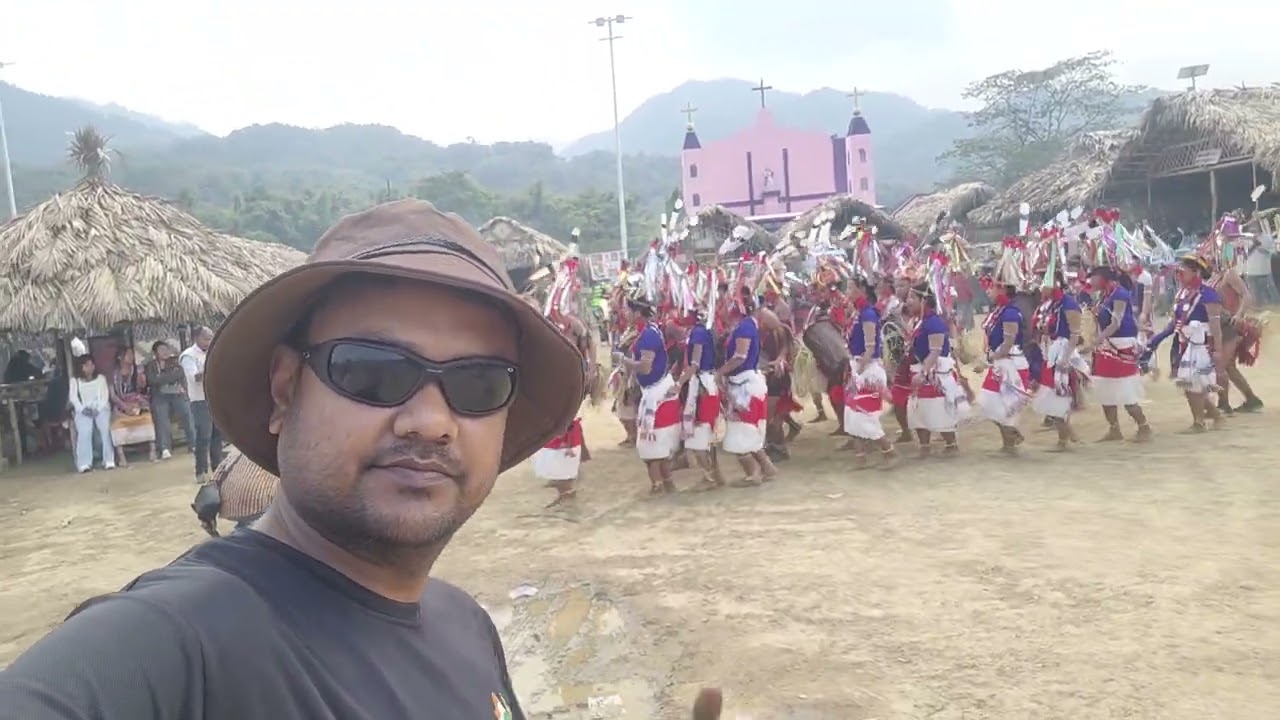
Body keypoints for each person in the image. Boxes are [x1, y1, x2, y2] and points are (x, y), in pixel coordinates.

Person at [0, 200, 729, 719]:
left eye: (477, 385)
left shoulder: (464, 627)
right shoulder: (174, 649)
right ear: (286, 390)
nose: (431, 421)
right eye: (374, 372)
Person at [619, 298, 681, 494]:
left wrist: (625, 362)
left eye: (627, 311)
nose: (625, 314)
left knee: (650, 442)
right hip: (656, 392)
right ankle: (666, 483)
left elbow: (645, 368)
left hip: (657, 393)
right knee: (656, 442)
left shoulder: (648, 336)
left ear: (638, 313)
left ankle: (659, 484)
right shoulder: (648, 331)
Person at [1084, 266, 1152, 443]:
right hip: (1107, 345)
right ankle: (1114, 429)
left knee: (1125, 389)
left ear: (1104, 278)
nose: (1092, 281)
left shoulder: (1120, 294)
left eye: (1094, 277)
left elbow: (1116, 322)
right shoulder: (1105, 295)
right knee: (1105, 388)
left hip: (1121, 344)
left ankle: (1144, 426)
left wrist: (1098, 339)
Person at [718, 294, 777, 486]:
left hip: (745, 387)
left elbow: (740, 357)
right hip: (748, 384)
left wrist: (720, 372)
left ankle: (753, 475)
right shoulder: (749, 325)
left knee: (740, 432)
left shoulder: (745, 327)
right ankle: (768, 468)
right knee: (750, 431)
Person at [905, 285, 968, 457]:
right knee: (918, 409)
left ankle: (951, 444)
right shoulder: (920, 321)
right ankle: (924, 446)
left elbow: (935, 351)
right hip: (920, 369)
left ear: (924, 301)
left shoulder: (934, 323)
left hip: (934, 372)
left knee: (938, 409)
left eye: (912, 298)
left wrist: (923, 373)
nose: (907, 301)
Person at [841, 278, 896, 468]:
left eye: (850, 287)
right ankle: (860, 458)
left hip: (868, 369)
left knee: (863, 416)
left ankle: (890, 453)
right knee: (851, 415)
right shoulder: (858, 313)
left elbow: (871, 347)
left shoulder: (868, 314)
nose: (847, 291)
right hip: (859, 367)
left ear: (862, 290)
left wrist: (859, 371)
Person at [1030, 274, 1088, 452]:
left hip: (1062, 352)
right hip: (1050, 351)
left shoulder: (1069, 304)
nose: (1039, 289)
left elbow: (1075, 334)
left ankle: (1064, 439)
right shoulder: (1049, 305)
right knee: (1054, 395)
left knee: (1056, 395)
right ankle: (1068, 434)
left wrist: (1064, 357)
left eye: (1042, 285)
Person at [673, 309, 725, 491]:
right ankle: (715, 474)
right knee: (705, 435)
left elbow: (694, 364)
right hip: (705, 384)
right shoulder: (701, 330)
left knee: (697, 435)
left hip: (702, 387)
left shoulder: (698, 332)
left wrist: (679, 383)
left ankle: (710, 477)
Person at [977, 281, 1030, 454]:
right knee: (988, 402)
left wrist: (989, 360)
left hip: (1011, 363)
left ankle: (1009, 442)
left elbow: (1008, 342)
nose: (988, 291)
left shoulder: (1011, 314)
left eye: (992, 288)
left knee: (1002, 404)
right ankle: (1011, 437)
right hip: (1001, 361)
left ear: (1002, 290)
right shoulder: (999, 311)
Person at [181, 327, 222, 482]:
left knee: (217, 436)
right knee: (204, 436)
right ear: (197, 338)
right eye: (206, 338)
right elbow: (194, 378)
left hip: (214, 398)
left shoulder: (213, 351)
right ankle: (201, 471)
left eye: (211, 338)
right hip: (199, 400)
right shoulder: (188, 356)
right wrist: (212, 368)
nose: (210, 341)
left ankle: (218, 469)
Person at [145, 340, 195, 460]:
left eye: (166, 349)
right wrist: (167, 379)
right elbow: (151, 381)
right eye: (161, 350)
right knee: (161, 416)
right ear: (155, 353)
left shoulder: (174, 362)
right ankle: (164, 448)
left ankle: (193, 444)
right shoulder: (151, 365)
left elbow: (178, 375)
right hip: (160, 395)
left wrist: (162, 379)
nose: (165, 352)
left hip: (176, 393)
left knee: (186, 411)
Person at [108, 345, 156, 466]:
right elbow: (113, 396)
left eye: (132, 354)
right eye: (128, 354)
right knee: (116, 424)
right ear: (120, 357)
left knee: (148, 418)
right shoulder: (113, 374)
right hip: (121, 404)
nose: (131, 357)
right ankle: (121, 457)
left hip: (137, 402)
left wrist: (142, 381)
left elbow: (141, 390)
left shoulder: (136, 370)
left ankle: (153, 451)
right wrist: (124, 406)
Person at [67, 354, 114, 473]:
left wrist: (97, 409)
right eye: (87, 365)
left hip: (101, 409)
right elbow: (73, 398)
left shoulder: (101, 378)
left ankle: (108, 460)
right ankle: (84, 463)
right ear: (81, 367)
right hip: (82, 411)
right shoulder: (75, 381)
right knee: (85, 432)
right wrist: (83, 410)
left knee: (104, 429)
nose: (90, 367)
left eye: (92, 365)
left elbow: (104, 397)